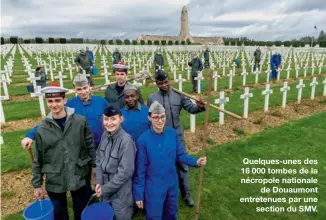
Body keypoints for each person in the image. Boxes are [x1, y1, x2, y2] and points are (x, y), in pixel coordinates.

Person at [133, 101, 207, 219]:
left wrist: (196, 161)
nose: (160, 120)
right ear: (149, 117)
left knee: (171, 213)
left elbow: (180, 155)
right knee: (154, 216)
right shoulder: (143, 140)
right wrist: (138, 195)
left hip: (172, 182)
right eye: (156, 117)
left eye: (162, 116)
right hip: (153, 186)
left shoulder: (172, 133)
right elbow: (140, 171)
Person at [32, 84, 96, 220]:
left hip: (79, 172)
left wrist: (95, 166)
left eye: (57, 100)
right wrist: (37, 184)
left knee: (82, 209)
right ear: (46, 102)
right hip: (55, 176)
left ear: (64, 100)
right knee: (59, 212)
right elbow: (39, 157)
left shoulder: (80, 121)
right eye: (50, 101)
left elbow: (90, 145)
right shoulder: (42, 129)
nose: (54, 104)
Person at [147, 70, 205, 207]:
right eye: (160, 83)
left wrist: (200, 107)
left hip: (178, 137)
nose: (164, 86)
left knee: (183, 166)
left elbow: (191, 108)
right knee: (163, 166)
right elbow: (150, 119)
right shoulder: (151, 98)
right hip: (160, 138)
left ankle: (186, 194)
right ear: (156, 83)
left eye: (166, 82)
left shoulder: (179, 95)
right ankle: (165, 195)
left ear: (169, 80)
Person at [21, 74, 108, 150]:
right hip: (80, 148)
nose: (83, 92)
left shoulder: (101, 102)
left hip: (101, 145)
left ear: (89, 86)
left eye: (85, 88)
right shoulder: (69, 105)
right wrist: (30, 135)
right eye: (79, 89)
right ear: (74, 88)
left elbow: (115, 117)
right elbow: (51, 121)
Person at [95, 105, 136, 220]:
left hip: (121, 193)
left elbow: (125, 173)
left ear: (121, 119)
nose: (109, 123)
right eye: (106, 119)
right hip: (104, 187)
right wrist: (99, 181)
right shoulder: (105, 135)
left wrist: (104, 189)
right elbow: (98, 158)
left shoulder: (126, 141)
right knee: (106, 215)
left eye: (113, 119)